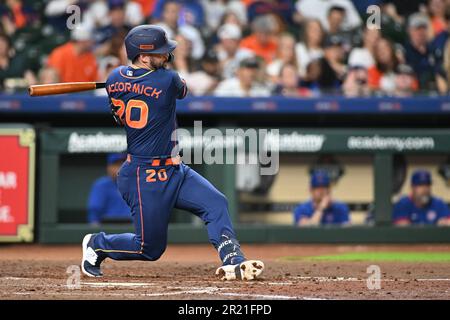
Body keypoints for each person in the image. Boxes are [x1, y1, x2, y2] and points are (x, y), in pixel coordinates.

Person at [81, 25, 264, 281]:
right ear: (143, 57)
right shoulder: (168, 80)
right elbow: (182, 90)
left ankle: (234, 260)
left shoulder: (114, 78)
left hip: (173, 169)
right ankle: (97, 243)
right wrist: (157, 74)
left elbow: (122, 99)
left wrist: (133, 79)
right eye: (159, 53)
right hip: (143, 175)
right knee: (149, 248)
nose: (166, 56)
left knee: (215, 202)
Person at [87, 153, 131, 226]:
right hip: (108, 231)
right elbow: (94, 213)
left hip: (132, 230)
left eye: (123, 164)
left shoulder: (135, 184)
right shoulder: (101, 185)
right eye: (116, 165)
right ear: (109, 167)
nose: (120, 168)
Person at [403, 13, 435, 91]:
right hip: (411, 90)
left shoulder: (433, 50)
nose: (421, 32)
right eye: (417, 28)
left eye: (424, 28)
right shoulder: (404, 50)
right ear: (409, 30)